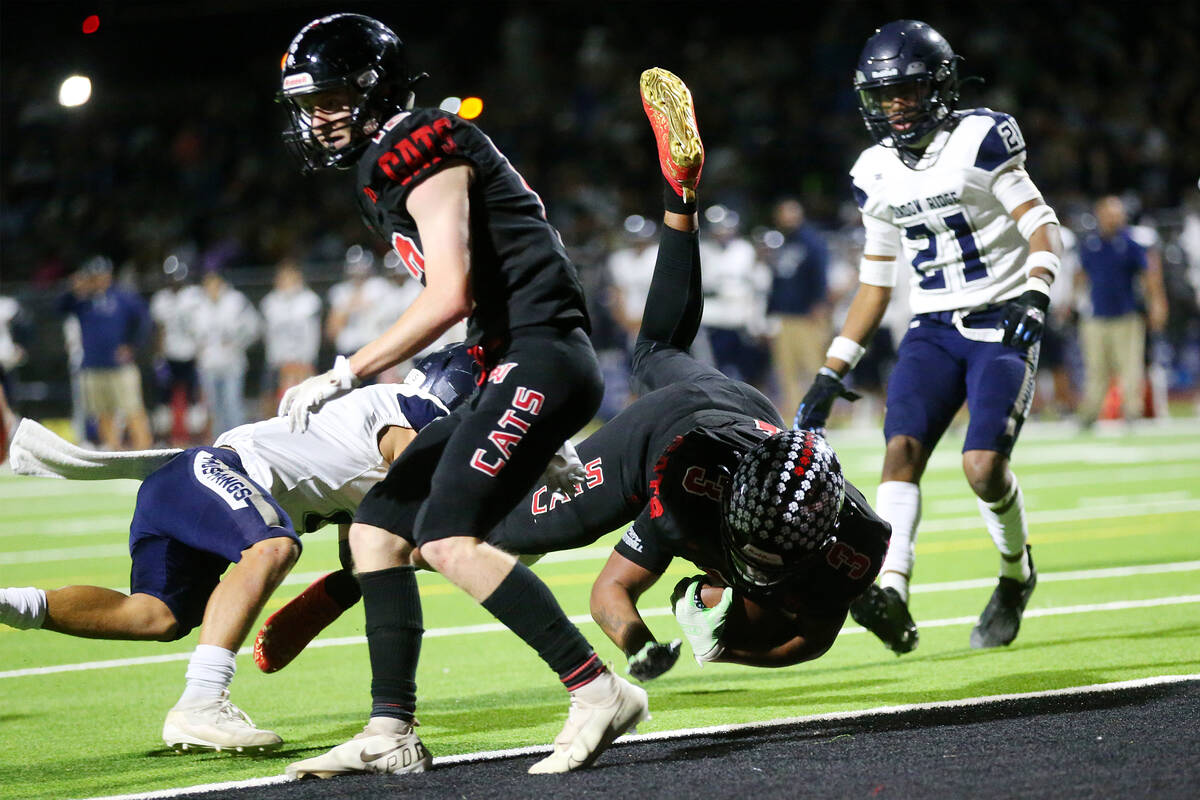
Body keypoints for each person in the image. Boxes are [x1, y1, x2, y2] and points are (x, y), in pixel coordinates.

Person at [261, 67, 890, 684]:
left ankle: (680, 200)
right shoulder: (688, 496)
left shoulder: (848, 533)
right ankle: (349, 581)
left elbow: (814, 634)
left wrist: (723, 647)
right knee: (477, 533)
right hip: (655, 441)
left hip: (737, 407)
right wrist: (648, 644)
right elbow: (610, 592)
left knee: (654, 348)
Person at [275, 14, 640, 778]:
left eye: (334, 97)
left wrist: (349, 370)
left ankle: (598, 688)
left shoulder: (424, 143)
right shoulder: (385, 157)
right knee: (376, 532)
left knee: (445, 537)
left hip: (542, 354)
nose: (319, 117)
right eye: (311, 103)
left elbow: (449, 294)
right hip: (509, 361)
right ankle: (389, 729)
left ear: (374, 89)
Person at [0, 346, 477, 753]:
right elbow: (418, 521)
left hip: (182, 489)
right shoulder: (417, 416)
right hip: (211, 471)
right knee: (273, 548)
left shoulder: (381, 427)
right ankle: (203, 700)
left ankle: (12, 603)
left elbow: (366, 557)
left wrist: (326, 601)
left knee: (154, 616)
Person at [795, 20, 1064, 654]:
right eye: (885, 95)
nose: (896, 105)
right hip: (934, 327)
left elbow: (1042, 226)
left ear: (939, 87)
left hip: (1001, 316)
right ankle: (891, 587)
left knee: (982, 468)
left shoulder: (977, 139)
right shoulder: (875, 171)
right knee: (899, 454)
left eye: (908, 91)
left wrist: (1036, 293)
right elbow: (875, 282)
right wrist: (832, 370)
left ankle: (1015, 572)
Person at [1075, 195, 1169, 427]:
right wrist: (1073, 301)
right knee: (1095, 368)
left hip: (1127, 314)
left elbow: (1150, 276)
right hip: (1096, 315)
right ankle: (1089, 414)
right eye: (1110, 214)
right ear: (1099, 215)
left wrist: (1157, 303)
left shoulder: (1131, 243)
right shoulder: (1090, 244)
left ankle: (1131, 412)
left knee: (1130, 367)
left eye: (1117, 214)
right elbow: (1081, 275)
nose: (1114, 218)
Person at [58, 256, 154, 450]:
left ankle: (144, 450)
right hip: (93, 364)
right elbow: (59, 307)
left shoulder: (122, 297)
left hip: (120, 366)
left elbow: (144, 320)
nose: (98, 279)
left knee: (133, 409)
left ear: (109, 275)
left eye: (101, 274)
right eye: (94, 275)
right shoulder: (82, 299)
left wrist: (132, 345)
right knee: (103, 412)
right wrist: (73, 290)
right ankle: (113, 450)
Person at [766, 198, 832, 418]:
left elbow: (820, 275)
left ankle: (820, 413)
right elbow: (776, 282)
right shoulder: (782, 242)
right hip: (785, 316)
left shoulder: (811, 241)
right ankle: (795, 415)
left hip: (807, 315)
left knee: (813, 366)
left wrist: (820, 304)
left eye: (790, 213)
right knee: (787, 369)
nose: (787, 218)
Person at [195, 269, 261, 436]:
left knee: (233, 405)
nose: (211, 288)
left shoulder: (236, 301)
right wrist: (199, 349)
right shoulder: (199, 304)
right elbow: (192, 332)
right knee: (214, 408)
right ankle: (220, 447)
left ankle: (238, 443)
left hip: (232, 362)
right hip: (209, 364)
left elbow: (254, 326)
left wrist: (238, 343)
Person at [149, 257, 206, 446]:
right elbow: (159, 329)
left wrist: (200, 353)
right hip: (169, 355)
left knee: (193, 399)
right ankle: (164, 439)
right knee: (164, 400)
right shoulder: (161, 299)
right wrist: (158, 356)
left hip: (190, 354)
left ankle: (196, 438)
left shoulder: (194, 295)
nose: (174, 281)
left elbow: (201, 327)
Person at [260, 258, 323, 409]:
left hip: (302, 360)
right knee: (271, 401)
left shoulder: (310, 300)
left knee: (307, 401)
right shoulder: (270, 302)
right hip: (277, 360)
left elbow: (312, 333)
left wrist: (308, 358)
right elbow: (268, 332)